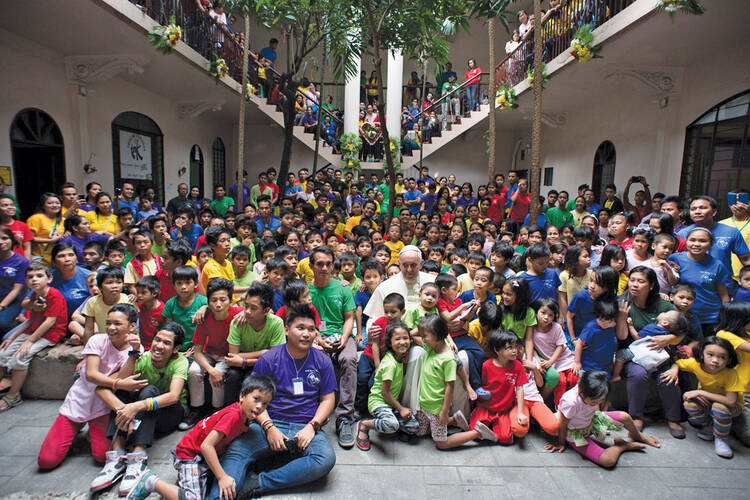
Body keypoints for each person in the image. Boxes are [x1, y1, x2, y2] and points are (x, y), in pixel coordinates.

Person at [207, 304, 336, 499]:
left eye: (311, 329)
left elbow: (328, 399)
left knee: (324, 459)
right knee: (237, 452)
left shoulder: (322, 360)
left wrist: (312, 426)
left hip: (305, 425)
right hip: (267, 422)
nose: (307, 334)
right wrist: (269, 427)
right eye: (300, 328)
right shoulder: (269, 358)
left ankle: (258, 483)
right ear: (286, 330)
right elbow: (254, 398)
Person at [127, 376, 275, 500]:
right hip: (190, 455)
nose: (259, 406)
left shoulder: (246, 416)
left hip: (202, 456)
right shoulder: (233, 416)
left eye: (265, 404)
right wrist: (222, 477)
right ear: (242, 396)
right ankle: (150, 482)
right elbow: (206, 446)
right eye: (256, 399)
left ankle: (181, 487)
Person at [37, 304, 144, 470]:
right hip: (79, 400)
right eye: (108, 323)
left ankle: (84, 428)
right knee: (46, 461)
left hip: (101, 406)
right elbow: (92, 375)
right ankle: (75, 426)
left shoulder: (136, 349)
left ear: (131, 326)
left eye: (117, 323)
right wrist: (118, 383)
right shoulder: (98, 340)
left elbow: (121, 376)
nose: (111, 328)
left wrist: (134, 353)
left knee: (102, 456)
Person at [90, 322, 188, 496]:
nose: (159, 346)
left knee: (148, 391)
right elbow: (113, 383)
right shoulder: (143, 357)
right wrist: (124, 409)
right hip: (142, 415)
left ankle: (138, 457)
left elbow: (173, 396)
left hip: (170, 414)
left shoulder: (180, 361)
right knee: (124, 388)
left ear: (176, 348)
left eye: (166, 343)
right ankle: (117, 453)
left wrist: (135, 407)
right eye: (157, 340)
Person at [545, 370, 660, 468]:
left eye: (600, 400)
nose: (597, 403)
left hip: (592, 420)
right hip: (576, 434)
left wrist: (599, 417)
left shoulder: (589, 387)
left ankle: (637, 436)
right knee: (608, 461)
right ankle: (622, 446)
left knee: (625, 416)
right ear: (581, 390)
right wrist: (561, 443)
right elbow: (563, 424)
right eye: (594, 402)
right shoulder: (571, 402)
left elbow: (597, 410)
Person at [618, 266, 684, 437]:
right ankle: (636, 416)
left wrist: (668, 339)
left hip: (661, 354)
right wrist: (622, 319)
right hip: (636, 355)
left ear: (652, 285)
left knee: (668, 378)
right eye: (632, 280)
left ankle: (673, 418)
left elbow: (682, 330)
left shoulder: (664, 305)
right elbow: (621, 336)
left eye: (641, 281)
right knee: (638, 375)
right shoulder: (623, 302)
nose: (635, 285)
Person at [307, 246, 357, 448]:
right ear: (311, 265)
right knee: (321, 361)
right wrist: (318, 339)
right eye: (319, 264)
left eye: (328, 264)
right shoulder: (305, 290)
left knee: (348, 359)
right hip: (315, 337)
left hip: (341, 335)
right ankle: (317, 413)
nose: (324, 268)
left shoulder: (342, 288)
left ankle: (345, 418)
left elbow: (349, 318)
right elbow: (304, 318)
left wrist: (345, 339)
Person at [0, 262, 68, 411]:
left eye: (39, 276)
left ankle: (13, 395)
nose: (34, 280)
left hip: (51, 334)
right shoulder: (35, 295)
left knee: (20, 356)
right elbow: (30, 321)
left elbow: (50, 322)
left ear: (49, 278)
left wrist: (29, 342)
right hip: (34, 329)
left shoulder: (54, 295)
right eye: (30, 277)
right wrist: (12, 337)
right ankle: (6, 384)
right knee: (2, 353)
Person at [662, 336, 743, 458]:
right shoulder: (696, 364)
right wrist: (674, 370)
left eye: (722, 357)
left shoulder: (730, 374)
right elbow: (678, 363)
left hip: (731, 407)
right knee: (689, 403)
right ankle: (710, 426)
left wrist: (700, 393)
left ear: (729, 359)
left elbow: (731, 401)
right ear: (701, 354)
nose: (715, 360)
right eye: (710, 355)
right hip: (710, 402)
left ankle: (721, 438)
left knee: (719, 408)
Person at [355, 322, 419, 450]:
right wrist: (401, 409)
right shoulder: (390, 364)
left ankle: (390, 421)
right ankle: (365, 425)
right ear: (390, 342)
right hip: (379, 403)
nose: (402, 342)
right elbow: (385, 393)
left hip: (390, 405)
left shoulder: (400, 358)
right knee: (391, 425)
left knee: (414, 426)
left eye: (405, 338)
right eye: (397, 339)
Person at [678, 196, 750, 284]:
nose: (697, 211)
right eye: (693, 209)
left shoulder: (731, 232)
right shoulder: (682, 234)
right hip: (690, 287)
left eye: (703, 208)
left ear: (714, 212)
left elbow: (746, 259)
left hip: (723, 285)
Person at [0, 227, 29, 336]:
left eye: (4, 238)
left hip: (14, 300)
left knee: (2, 323)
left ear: (12, 240)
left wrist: (1, 306)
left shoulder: (22, 262)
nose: (0, 242)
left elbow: (17, 290)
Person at [27, 192, 64, 263]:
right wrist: (50, 241)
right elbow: (30, 238)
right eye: (50, 203)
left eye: (57, 203)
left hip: (56, 258)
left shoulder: (62, 219)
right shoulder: (36, 218)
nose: (54, 205)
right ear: (43, 206)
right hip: (40, 258)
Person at [1, 194, 33, 259]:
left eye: (12, 205)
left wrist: (27, 264)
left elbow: (27, 248)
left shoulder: (23, 226)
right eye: (5, 205)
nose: (10, 207)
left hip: (19, 263)